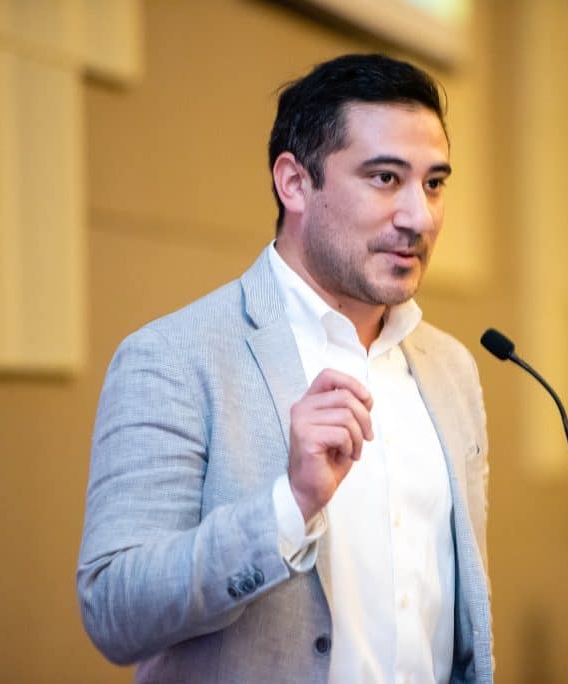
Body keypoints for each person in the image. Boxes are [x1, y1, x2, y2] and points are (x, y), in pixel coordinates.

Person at [77, 53, 492, 683]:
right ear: (294, 183)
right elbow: (113, 611)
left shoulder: (452, 369)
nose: (419, 217)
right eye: (385, 178)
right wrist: (288, 505)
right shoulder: (173, 358)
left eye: (434, 183)